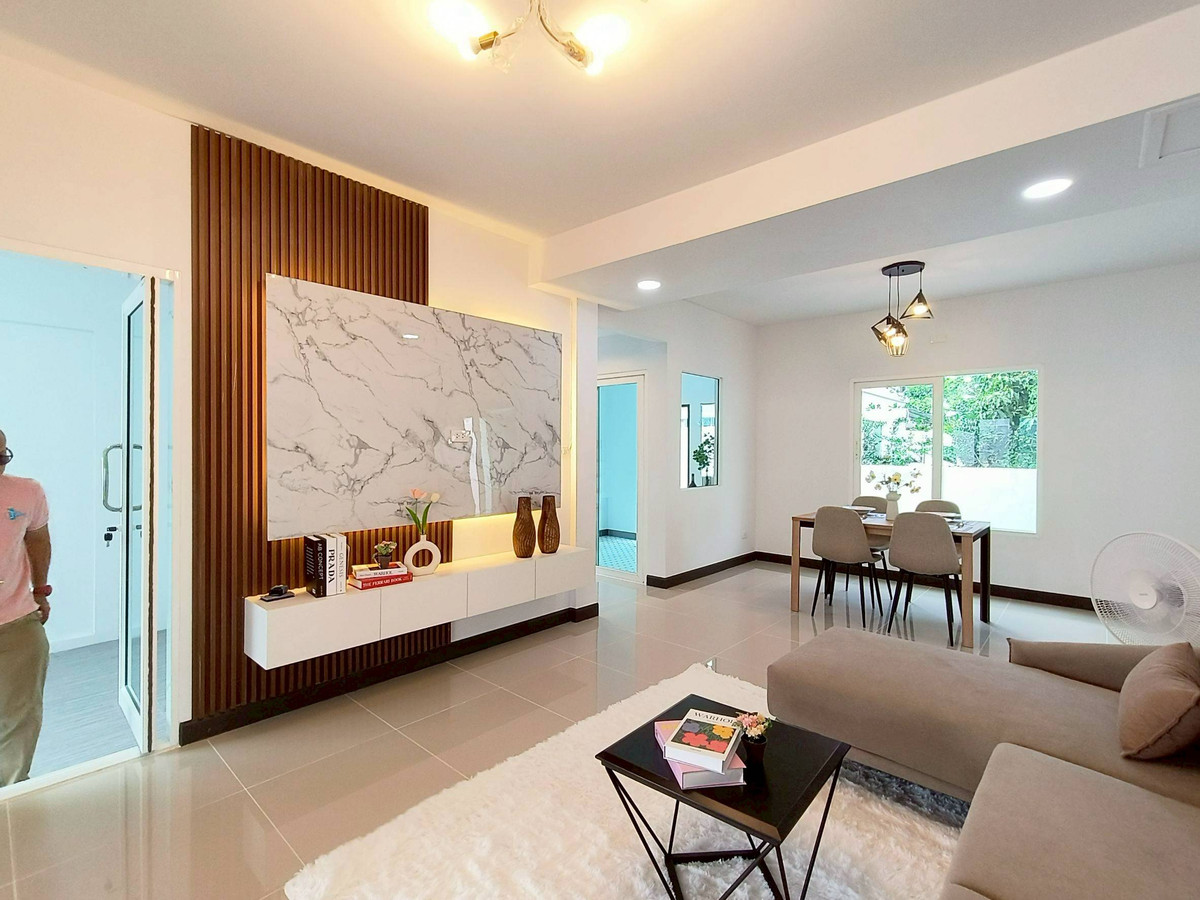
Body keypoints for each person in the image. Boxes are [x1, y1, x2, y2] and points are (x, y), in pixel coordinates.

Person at [0, 428, 52, 786]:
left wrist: (40, 590)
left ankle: (10, 795)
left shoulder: (27, 492)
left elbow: (38, 539)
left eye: (2, 457)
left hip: (17, 622)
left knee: (20, 719)